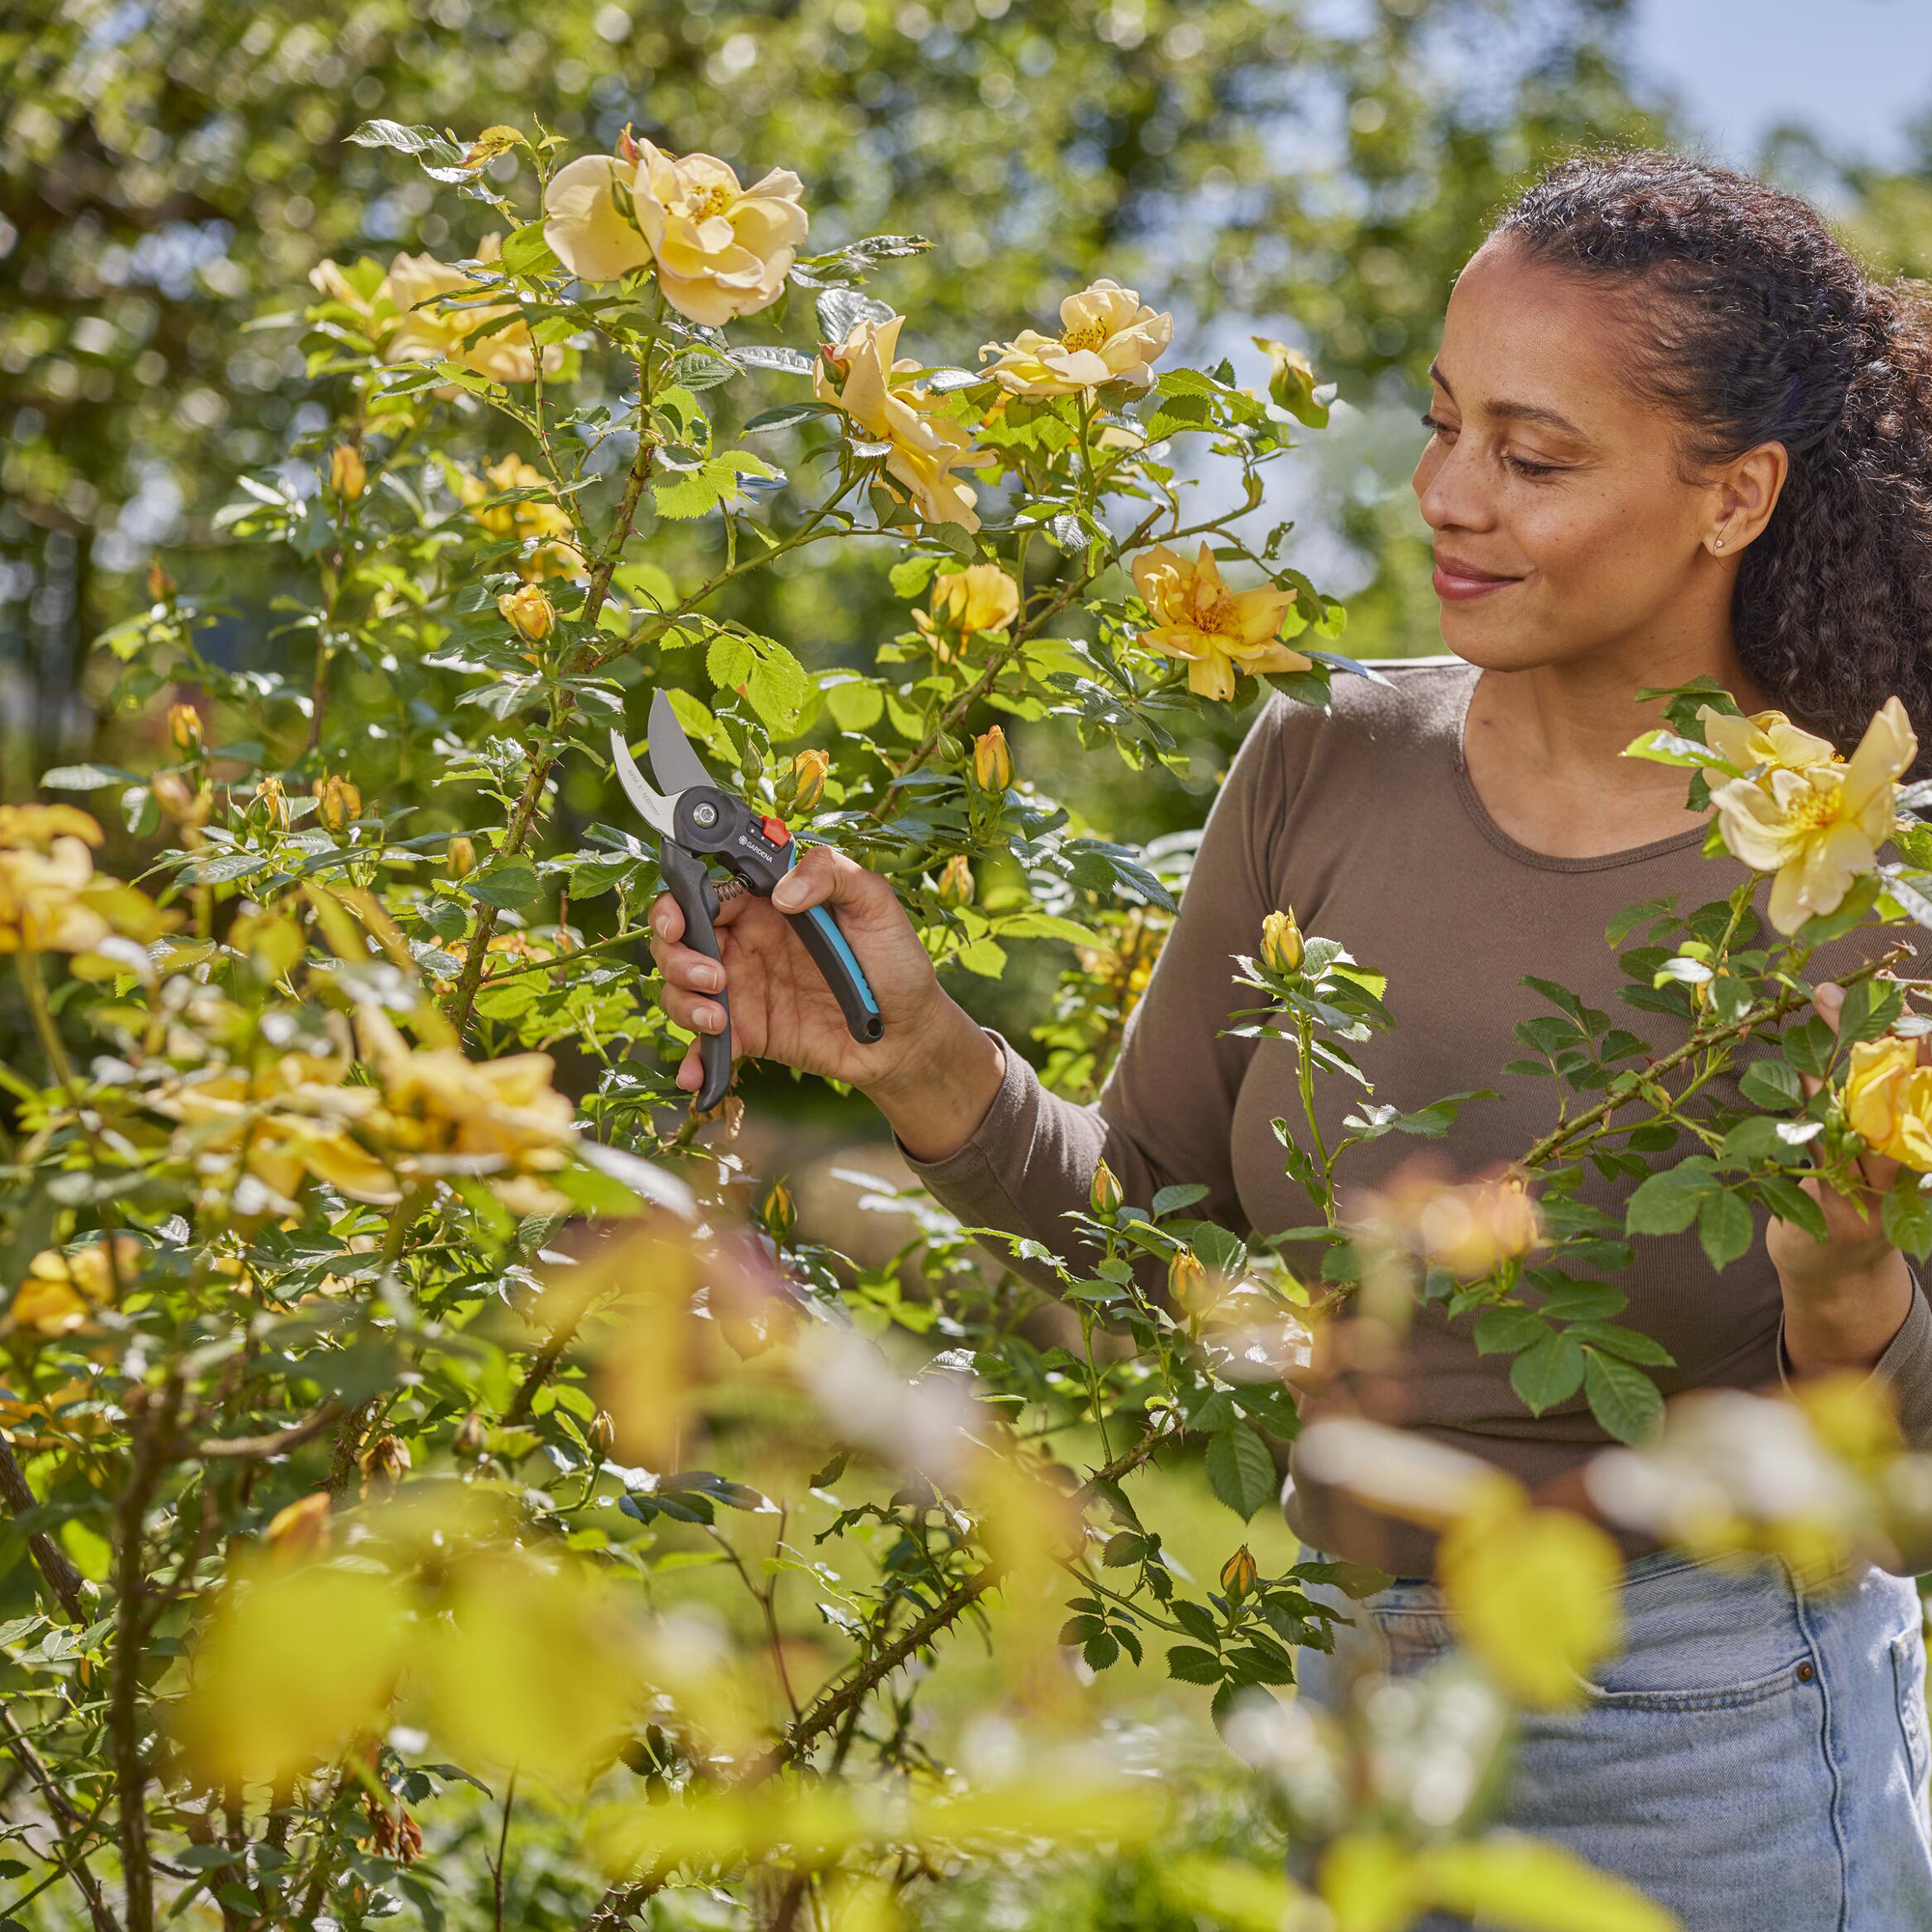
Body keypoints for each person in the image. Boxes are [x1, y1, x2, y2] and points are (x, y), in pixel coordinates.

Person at [644, 148, 1932, 1926]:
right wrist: (916, 1041)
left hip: (1705, 1736)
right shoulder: (1325, 760)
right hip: (1345, 1696)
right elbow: (1153, 1218)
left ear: (1736, 498)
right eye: (1443, 423)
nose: (1444, 498)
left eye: (1532, 456)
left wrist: (1845, 1292)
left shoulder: (1873, 875)